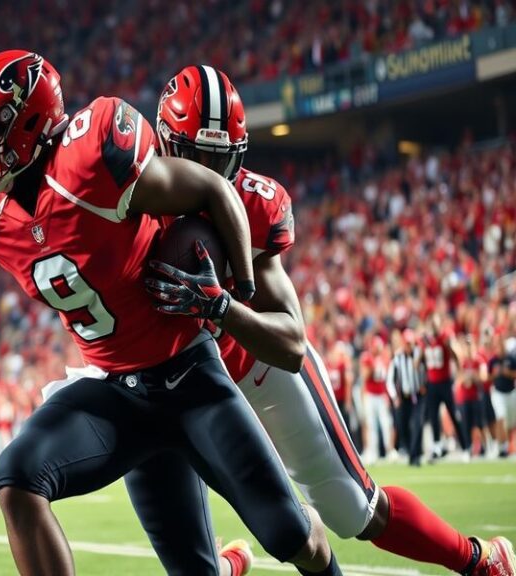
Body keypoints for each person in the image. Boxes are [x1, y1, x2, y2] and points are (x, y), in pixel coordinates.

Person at [0, 50, 341, 576]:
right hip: (118, 393)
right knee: (17, 476)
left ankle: (309, 543)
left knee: (292, 540)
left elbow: (213, 187)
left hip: (192, 379)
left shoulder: (92, 159)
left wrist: (235, 293)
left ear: (30, 119)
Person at [128, 64, 516, 576]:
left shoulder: (252, 203)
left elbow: (290, 340)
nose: (209, 172)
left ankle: (478, 559)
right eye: (197, 155)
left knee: (352, 508)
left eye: (221, 157)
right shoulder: (128, 199)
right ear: (164, 144)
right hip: (177, 376)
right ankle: (223, 564)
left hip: (255, 366)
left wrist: (219, 306)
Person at [422, 315, 470, 458]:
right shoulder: (426, 342)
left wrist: (459, 372)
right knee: (433, 416)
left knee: (453, 414)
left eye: (435, 325)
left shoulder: (445, 337)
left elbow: (455, 355)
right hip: (432, 383)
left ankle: (465, 446)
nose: (433, 328)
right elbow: (422, 362)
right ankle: (436, 445)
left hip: (444, 382)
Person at [386, 329, 426, 466]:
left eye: (411, 343)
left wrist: (424, 384)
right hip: (404, 397)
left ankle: (415, 456)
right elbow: (390, 380)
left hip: (418, 395)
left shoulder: (420, 355)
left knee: (417, 423)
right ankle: (411, 452)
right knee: (403, 426)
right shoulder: (397, 358)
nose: (409, 347)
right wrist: (395, 397)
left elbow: (428, 369)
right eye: (407, 344)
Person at [360, 335, 398, 463]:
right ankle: (372, 452)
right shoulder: (367, 358)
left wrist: (387, 395)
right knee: (371, 424)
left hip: (381, 395)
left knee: (386, 423)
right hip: (370, 395)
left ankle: (390, 450)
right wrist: (372, 366)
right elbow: (365, 377)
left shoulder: (384, 358)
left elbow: (387, 379)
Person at [489, 334, 516, 457]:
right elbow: (487, 377)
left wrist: (508, 373)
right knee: (501, 417)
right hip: (498, 393)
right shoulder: (493, 360)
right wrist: (495, 374)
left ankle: (507, 444)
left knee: (510, 421)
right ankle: (502, 446)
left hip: (510, 392)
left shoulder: (510, 358)